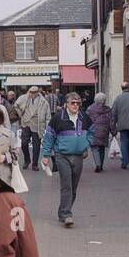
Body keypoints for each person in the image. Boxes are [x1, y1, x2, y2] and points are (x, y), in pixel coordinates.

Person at [41, 91, 90, 227]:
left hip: (78, 156)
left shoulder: (84, 117)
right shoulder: (58, 118)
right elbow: (49, 136)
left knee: (73, 187)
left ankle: (63, 210)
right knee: (67, 184)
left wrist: (86, 143)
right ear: (66, 105)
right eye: (72, 103)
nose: (75, 105)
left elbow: (92, 131)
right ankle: (66, 214)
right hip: (62, 156)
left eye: (78, 103)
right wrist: (45, 155)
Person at [15, 85, 49, 171]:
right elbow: (16, 105)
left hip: (37, 125)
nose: (32, 94)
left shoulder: (43, 101)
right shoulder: (23, 98)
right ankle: (27, 160)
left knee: (36, 146)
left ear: (38, 92)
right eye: (31, 92)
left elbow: (48, 116)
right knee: (24, 143)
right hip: (26, 123)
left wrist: (48, 127)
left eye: (34, 92)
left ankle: (35, 164)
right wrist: (21, 115)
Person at [86, 93, 116, 173]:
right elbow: (111, 122)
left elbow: (86, 121)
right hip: (104, 131)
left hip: (93, 131)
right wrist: (113, 132)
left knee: (94, 148)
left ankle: (98, 164)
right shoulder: (108, 110)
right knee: (102, 148)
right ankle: (101, 165)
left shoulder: (90, 109)